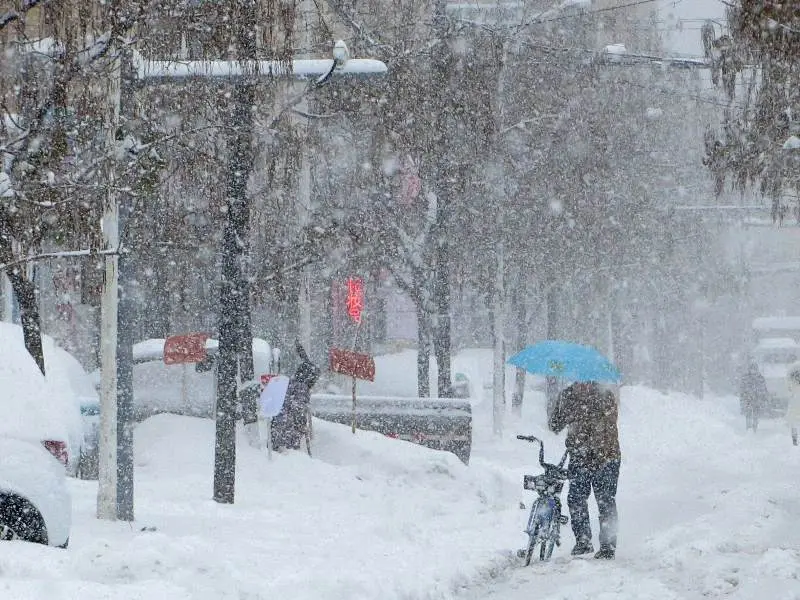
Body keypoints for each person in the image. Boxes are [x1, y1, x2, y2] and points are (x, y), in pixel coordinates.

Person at [549, 381, 621, 560]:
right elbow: (555, 425)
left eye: (586, 382)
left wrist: (588, 418)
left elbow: (609, 427)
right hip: (580, 458)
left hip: (605, 458)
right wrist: (561, 409)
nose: (583, 385)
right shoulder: (567, 396)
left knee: (605, 501)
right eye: (579, 382)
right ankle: (583, 540)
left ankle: (607, 545)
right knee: (576, 498)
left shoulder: (605, 396)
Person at [271, 341, 320, 452]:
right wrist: (301, 425)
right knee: (289, 454)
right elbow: (297, 409)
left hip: (278, 427)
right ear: (309, 378)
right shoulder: (301, 389)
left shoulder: (290, 384)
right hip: (286, 433)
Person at [738, 360, 768, 432]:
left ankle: (755, 428)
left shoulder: (760, 378)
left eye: (754, 369)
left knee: (755, 415)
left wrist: (762, 396)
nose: (753, 371)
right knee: (748, 414)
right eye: (752, 369)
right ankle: (748, 428)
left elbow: (764, 388)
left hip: (757, 399)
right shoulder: (745, 378)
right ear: (749, 369)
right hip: (748, 399)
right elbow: (742, 388)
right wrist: (743, 396)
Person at [786, 363, 800, 446]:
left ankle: (794, 440)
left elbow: (789, 389)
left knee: (793, 422)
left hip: (794, 404)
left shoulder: (791, 382)